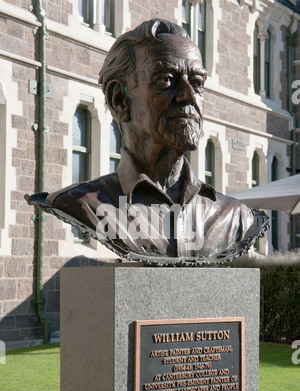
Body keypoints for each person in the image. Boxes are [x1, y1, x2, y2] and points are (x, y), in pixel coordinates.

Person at [26, 19, 268, 266]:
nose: (188, 95)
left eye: (197, 82)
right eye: (166, 80)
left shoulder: (235, 217)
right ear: (120, 99)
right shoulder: (82, 204)